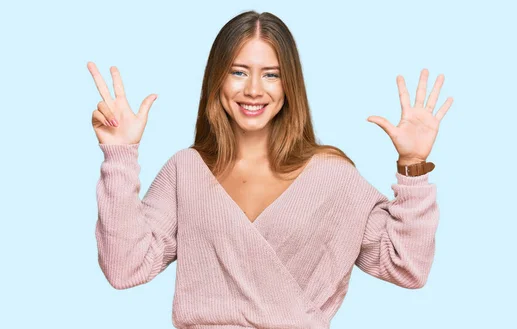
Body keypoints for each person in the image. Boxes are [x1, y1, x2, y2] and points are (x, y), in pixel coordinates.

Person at [90, 10, 453, 329]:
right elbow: (125, 268)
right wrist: (119, 154)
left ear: (289, 84)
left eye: (271, 75)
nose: (252, 90)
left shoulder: (332, 176)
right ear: (217, 78)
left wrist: (413, 165)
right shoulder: (186, 170)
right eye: (238, 71)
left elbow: (406, 266)